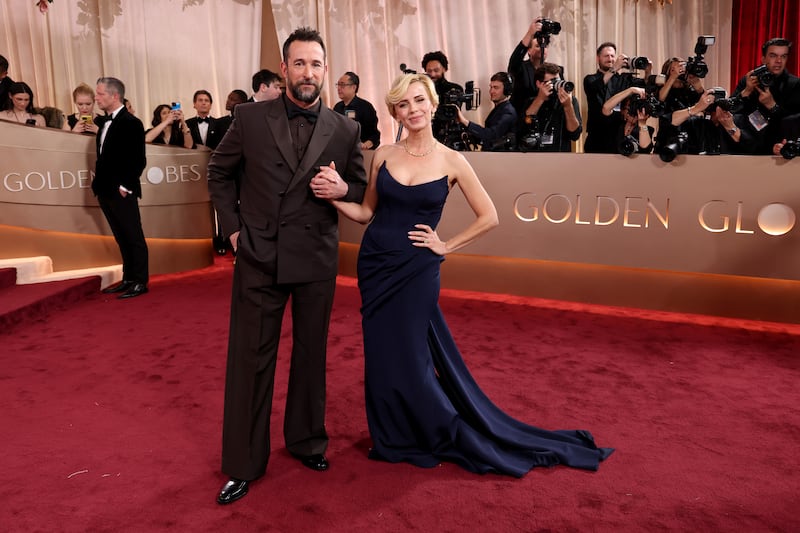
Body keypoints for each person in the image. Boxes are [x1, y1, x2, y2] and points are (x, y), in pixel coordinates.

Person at [317, 72, 613, 477]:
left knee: (413, 357)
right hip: (375, 265)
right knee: (383, 356)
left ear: (433, 104)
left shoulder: (452, 160)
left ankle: (433, 429)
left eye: (419, 101)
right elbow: (368, 213)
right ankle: (392, 436)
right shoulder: (383, 154)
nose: (413, 110)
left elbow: (490, 216)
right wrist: (337, 198)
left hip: (417, 270)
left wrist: (445, 246)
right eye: (404, 105)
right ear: (395, 112)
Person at [208, 26, 367, 505]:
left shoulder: (346, 128)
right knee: (250, 361)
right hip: (259, 255)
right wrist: (234, 231)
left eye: (316, 64)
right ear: (284, 68)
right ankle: (242, 462)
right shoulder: (250, 117)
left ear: (326, 68)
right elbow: (219, 171)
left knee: (311, 355)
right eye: (298, 63)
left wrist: (343, 192)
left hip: (315, 255)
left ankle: (306, 441)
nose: (308, 72)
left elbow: (360, 189)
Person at [92, 77, 148, 299]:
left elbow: (138, 160)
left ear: (114, 96)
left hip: (121, 190)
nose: (96, 98)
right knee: (121, 236)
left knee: (133, 236)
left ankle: (140, 281)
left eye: (100, 94)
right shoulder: (105, 122)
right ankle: (129, 278)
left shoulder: (132, 123)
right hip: (104, 190)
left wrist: (125, 186)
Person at [732, 38, 800, 154]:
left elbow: (794, 122)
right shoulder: (749, 80)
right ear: (763, 59)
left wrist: (772, 106)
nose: (779, 61)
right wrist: (747, 91)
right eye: (773, 56)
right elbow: (732, 111)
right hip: (747, 145)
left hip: (779, 148)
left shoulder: (795, 84)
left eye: (783, 56)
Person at [584, 42, 649, 153]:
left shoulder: (624, 79)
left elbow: (647, 87)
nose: (610, 59)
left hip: (618, 134)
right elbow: (597, 87)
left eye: (612, 56)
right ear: (597, 58)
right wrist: (614, 68)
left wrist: (648, 70)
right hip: (597, 136)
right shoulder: (590, 79)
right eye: (606, 56)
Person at [518, 62, 582, 152]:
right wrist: (540, 99)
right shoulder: (531, 102)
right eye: (552, 82)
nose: (557, 84)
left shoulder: (570, 101)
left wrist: (568, 106)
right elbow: (523, 126)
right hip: (535, 157)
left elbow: (575, 135)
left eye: (558, 80)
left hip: (560, 157)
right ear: (539, 84)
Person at [507, 17, 564, 118]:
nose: (543, 49)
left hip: (546, 118)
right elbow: (514, 62)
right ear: (528, 50)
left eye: (545, 46)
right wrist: (530, 33)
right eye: (538, 46)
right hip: (523, 117)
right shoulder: (522, 68)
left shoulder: (557, 70)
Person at [455, 72, 518, 150]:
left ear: (507, 90)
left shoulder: (508, 112)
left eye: (496, 88)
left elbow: (491, 135)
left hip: (500, 159)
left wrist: (465, 122)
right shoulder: (499, 109)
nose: (491, 91)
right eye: (491, 87)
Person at [333, 71, 381, 150]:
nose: (339, 88)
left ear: (354, 87)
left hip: (361, 154)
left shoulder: (365, 107)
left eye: (342, 85)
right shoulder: (337, 107)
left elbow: (374, 135)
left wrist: (365, 145)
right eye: (338, 84)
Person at [601, 86, 654, 155]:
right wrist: (631, 90)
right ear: (622, 110)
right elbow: (606, 108)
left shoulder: (646, 129)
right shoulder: (615, 122)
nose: (633, 113)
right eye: (629, 109)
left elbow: (645, 148)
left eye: (637, 109)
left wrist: (642, 123)